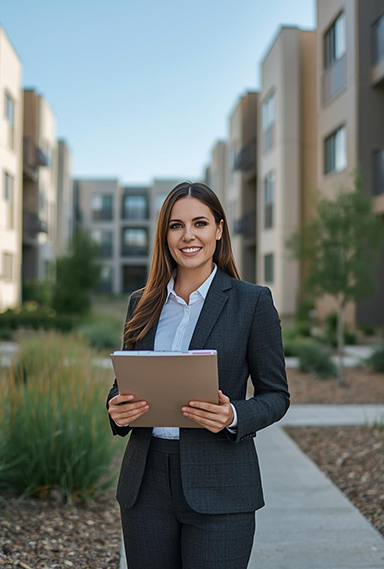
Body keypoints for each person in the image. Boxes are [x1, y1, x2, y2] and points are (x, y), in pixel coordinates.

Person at [106, 181, 290, 569]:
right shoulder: (142, 304)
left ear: (219, 230)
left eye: (200, 223)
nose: (188, 236)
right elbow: (124, 384)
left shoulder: (252, 302)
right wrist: (116, 408)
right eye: (176, 225)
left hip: (222, 484)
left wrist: (234, 415)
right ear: (165, 234)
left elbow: (276, 395)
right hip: (146, 486)